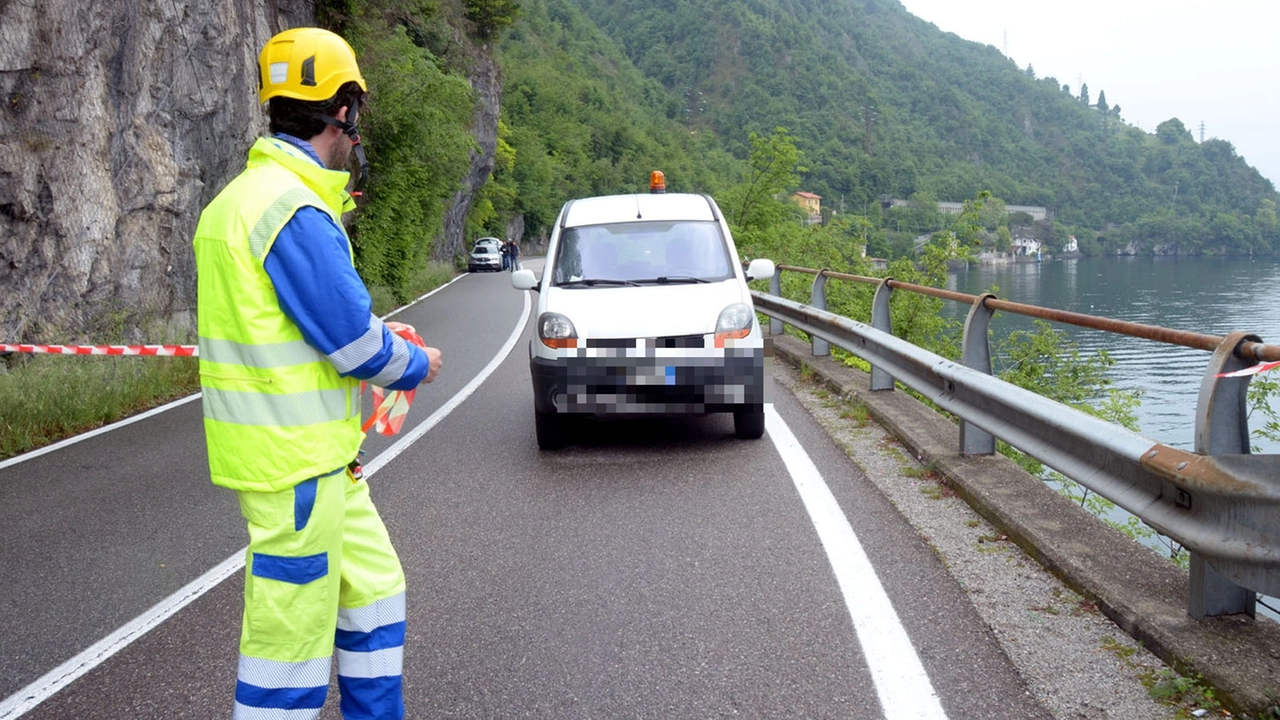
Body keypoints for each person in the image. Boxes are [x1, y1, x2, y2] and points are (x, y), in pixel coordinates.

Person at [192, 26, 442, 720]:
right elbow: (355, 346)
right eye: (356, 112)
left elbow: (305, 325)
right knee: (289, 643)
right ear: (344, 111)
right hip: (293, 466)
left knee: (374, 589)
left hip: (324, 461)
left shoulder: (241, 202)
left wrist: (375, 339)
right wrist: (417, 361)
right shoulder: (291, 210)